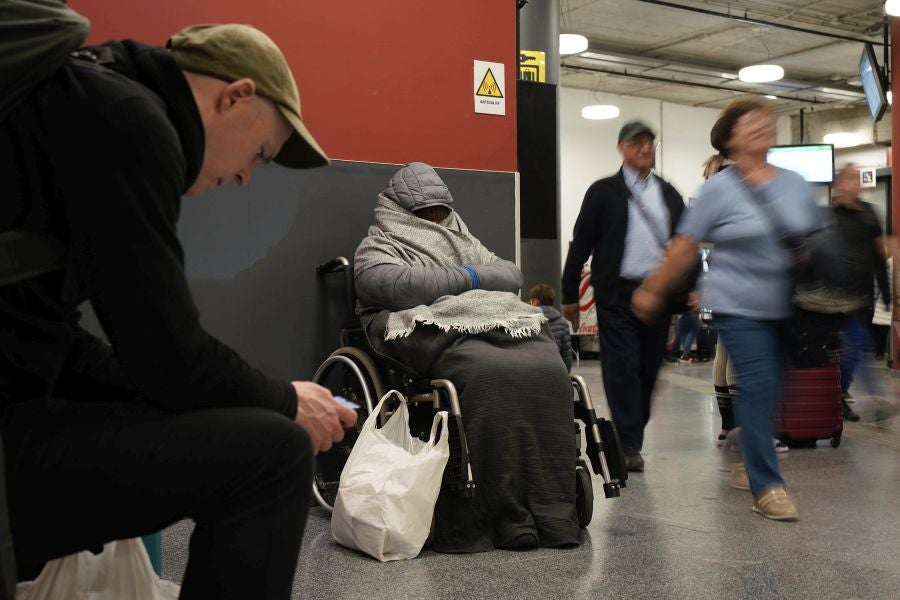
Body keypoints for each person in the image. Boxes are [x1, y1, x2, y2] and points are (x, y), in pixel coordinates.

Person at [0, 23, 357, 598]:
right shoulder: (133, 124)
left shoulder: (86, 90)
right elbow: (170, 357)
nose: (244, 176)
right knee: (276, 456)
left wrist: (229, 398)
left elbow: (58, 340)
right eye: (259, 152)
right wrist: (288, 401)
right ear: (235, 96)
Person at [354, 162, 579, 552]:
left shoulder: (466, 241)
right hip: (431, 328)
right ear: (399, 210)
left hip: (484, 323)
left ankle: (552, 509)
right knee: (485, 373)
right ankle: (496, 514)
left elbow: (510, 275)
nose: (435, 220)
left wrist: (458, 280)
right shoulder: (379, 245)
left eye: (440, 211)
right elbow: (393, 285)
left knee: (547, 366)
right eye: (425, 212)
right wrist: (472, 278)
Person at [632, 97, 823, 521]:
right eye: (749, 121)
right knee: (757, 384)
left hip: (786, 305)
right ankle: (767, 487)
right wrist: (654, 289)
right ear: (730, 138)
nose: (761, 125)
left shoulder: (794, 183)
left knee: (777, 389)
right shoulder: (720, 188)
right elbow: (685, 245)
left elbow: (812, 242)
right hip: (737, 305)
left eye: (765, 120)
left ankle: (743, 439)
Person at [561, 120, 688, 473]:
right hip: (617, 294)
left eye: (650, 143)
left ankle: (629, 432)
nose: (645, 148)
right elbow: (581, 243)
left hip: (658, 293)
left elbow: (685, 243)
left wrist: (690, 286)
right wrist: (569, 293)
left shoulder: (668, 194)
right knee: (623, 368)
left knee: (648, 369)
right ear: (622, 148)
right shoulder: (603, 192)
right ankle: (629, 442)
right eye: (637, 143)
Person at [830, 164, 890, 421]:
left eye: (858, 179)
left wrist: (886, 293)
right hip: (835, 296)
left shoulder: (869, 213)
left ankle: (843, 396)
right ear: (839, 184)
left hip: (863, 295)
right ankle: (868, 399)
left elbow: (879, 255)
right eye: (850, 179)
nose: (855, 184)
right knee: (855, 347)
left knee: (857, 348)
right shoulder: (831, 217)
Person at [528, 284, 573, 371]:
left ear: (535, 302)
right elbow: (567, 356)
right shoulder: (562, 323)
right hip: (555, 371)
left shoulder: (526, 321)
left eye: (531, 301)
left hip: (531, 371)